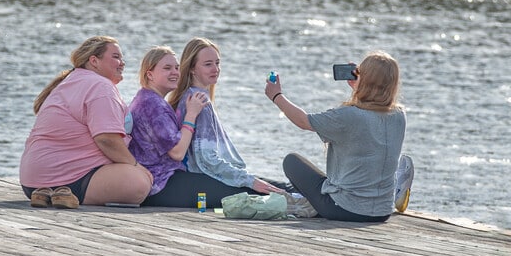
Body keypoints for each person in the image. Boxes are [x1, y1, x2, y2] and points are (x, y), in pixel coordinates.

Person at [264, 51, 413, 222]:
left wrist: (276, 96)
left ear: (365, 79)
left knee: (292, 161)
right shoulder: (399, 115)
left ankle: (306, 200)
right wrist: (362, 87)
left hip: (344, 209)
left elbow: (304, 121)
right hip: (382, 211)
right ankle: (397, 190)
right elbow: (374, 108)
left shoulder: (349, 116)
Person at [129, 46, 274, 208]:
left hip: (163, 180)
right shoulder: (153, 106)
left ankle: (290, 192)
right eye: (167, 68)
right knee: (253, 194)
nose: (175, 72)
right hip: (162, 184)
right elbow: (177, 152)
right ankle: (293, 197)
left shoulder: (147, 99)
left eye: (176, 67)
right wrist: (191, 115)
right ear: (150, 74)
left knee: (254, 187)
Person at [19, 36, 153, 209]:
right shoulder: (100, 86)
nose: (122, 63)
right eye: (116, 57)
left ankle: (51, 195)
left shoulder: (72, 81)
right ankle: (64, 193)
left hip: (31, 182)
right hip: (70, 178)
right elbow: (107, 139)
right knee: (139, 183)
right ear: (94, 61)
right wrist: (136, 166)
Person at [168, 37, 294, 203]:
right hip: (204, 180)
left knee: (285, 188)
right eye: (208, 64)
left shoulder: (189, 96)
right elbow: (207, 159)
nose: (216, 69)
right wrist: (249, 181)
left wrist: (247, 178)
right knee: (288, 194)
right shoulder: (199, 101)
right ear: (192, 68)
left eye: (217, 63)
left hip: (204, 176)